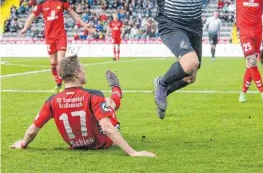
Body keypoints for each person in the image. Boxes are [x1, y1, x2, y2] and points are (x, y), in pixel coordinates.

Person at [10, 55, 156, 157]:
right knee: (108, 103)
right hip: (101, 142)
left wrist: (23, 143)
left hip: (76, 144)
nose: (85, 71)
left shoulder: (52, 100)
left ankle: (115, 91)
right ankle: (116, 90)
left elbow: (32, 130)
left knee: (101, 103)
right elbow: (106, 128)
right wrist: (133, 152)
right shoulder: (93, 95)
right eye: (83, 68)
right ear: (77, 72)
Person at [19, 0, 95, 93]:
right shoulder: (41, 4)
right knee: (53, 63)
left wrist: (85, 25)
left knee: (61, 61)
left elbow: (73, 14)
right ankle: (58, 84)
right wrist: (25, 28)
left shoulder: (62, 2)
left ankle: (66, 85)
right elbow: (32, 16)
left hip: (60, 35)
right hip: (49, 37)